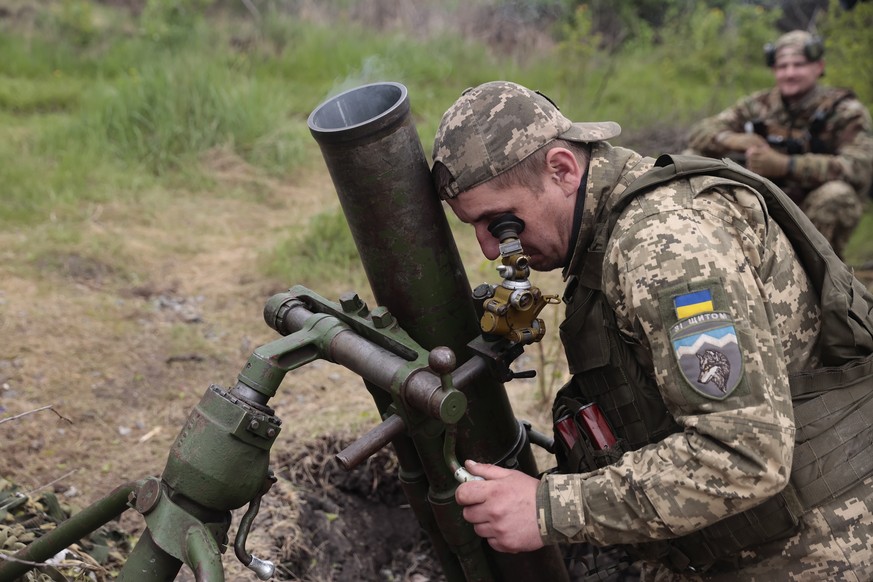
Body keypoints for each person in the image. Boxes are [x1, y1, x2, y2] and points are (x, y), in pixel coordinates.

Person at [430, 80, 873, 580]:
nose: (491, 250)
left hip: (822, 550)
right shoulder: (612, 229)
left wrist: (547, 508)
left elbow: (744, 455)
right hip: (756, 536)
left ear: (562, 169)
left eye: (501, 224)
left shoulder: (665, 247)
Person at [685, 30, 873, 259]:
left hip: (809, 210)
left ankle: (819, 274)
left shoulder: (845, 112)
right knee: (692, 157)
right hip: (759, 201)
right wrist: (734, 140)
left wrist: (787, 165)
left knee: (837, 195)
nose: (790, 73)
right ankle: (703, 255)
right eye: (783, 66)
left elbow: (860, 167)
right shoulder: (759, 105)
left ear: (819, 67)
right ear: (774, 70)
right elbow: (700, 132)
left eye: (799, 65)